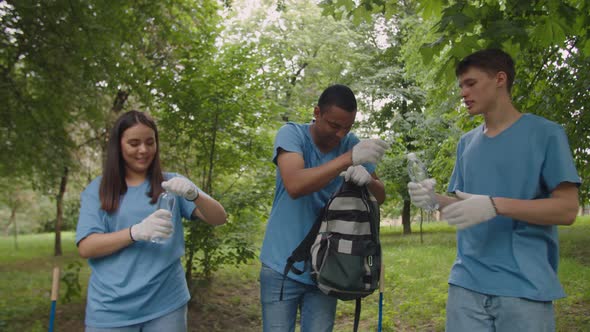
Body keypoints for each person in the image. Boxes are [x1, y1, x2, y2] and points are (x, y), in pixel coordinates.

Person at [408, 48, 581, 331]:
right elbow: (466, 206)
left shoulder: (546, 134)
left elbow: (566, 209)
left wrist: (495, 205)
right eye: (461, 85)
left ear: (500, 79)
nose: (463, 92)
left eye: (471, 83)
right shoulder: (466, 143)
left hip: (523, 287)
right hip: (466, 284)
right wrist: (433, 200)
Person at [76, 110, 227, 332]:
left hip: (166, 305)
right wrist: (134, 232)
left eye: (150, 142)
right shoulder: (98, 190)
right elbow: (87, 247)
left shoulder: (171, 183)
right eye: (134, 143)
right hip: (111, 310)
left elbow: (219, 218)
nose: (143, 150)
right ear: (119, 146)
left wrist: (195, 194)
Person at [259, 84, 390, 332]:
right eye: (334, 125)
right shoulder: (292, 135)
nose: (341, 134)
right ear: (317, 112)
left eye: (348, 127)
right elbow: (295, 184)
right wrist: (348, 159)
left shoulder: (352, 144)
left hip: (329, 268)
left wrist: (368, 179)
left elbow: (380, 195)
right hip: (281, 266)